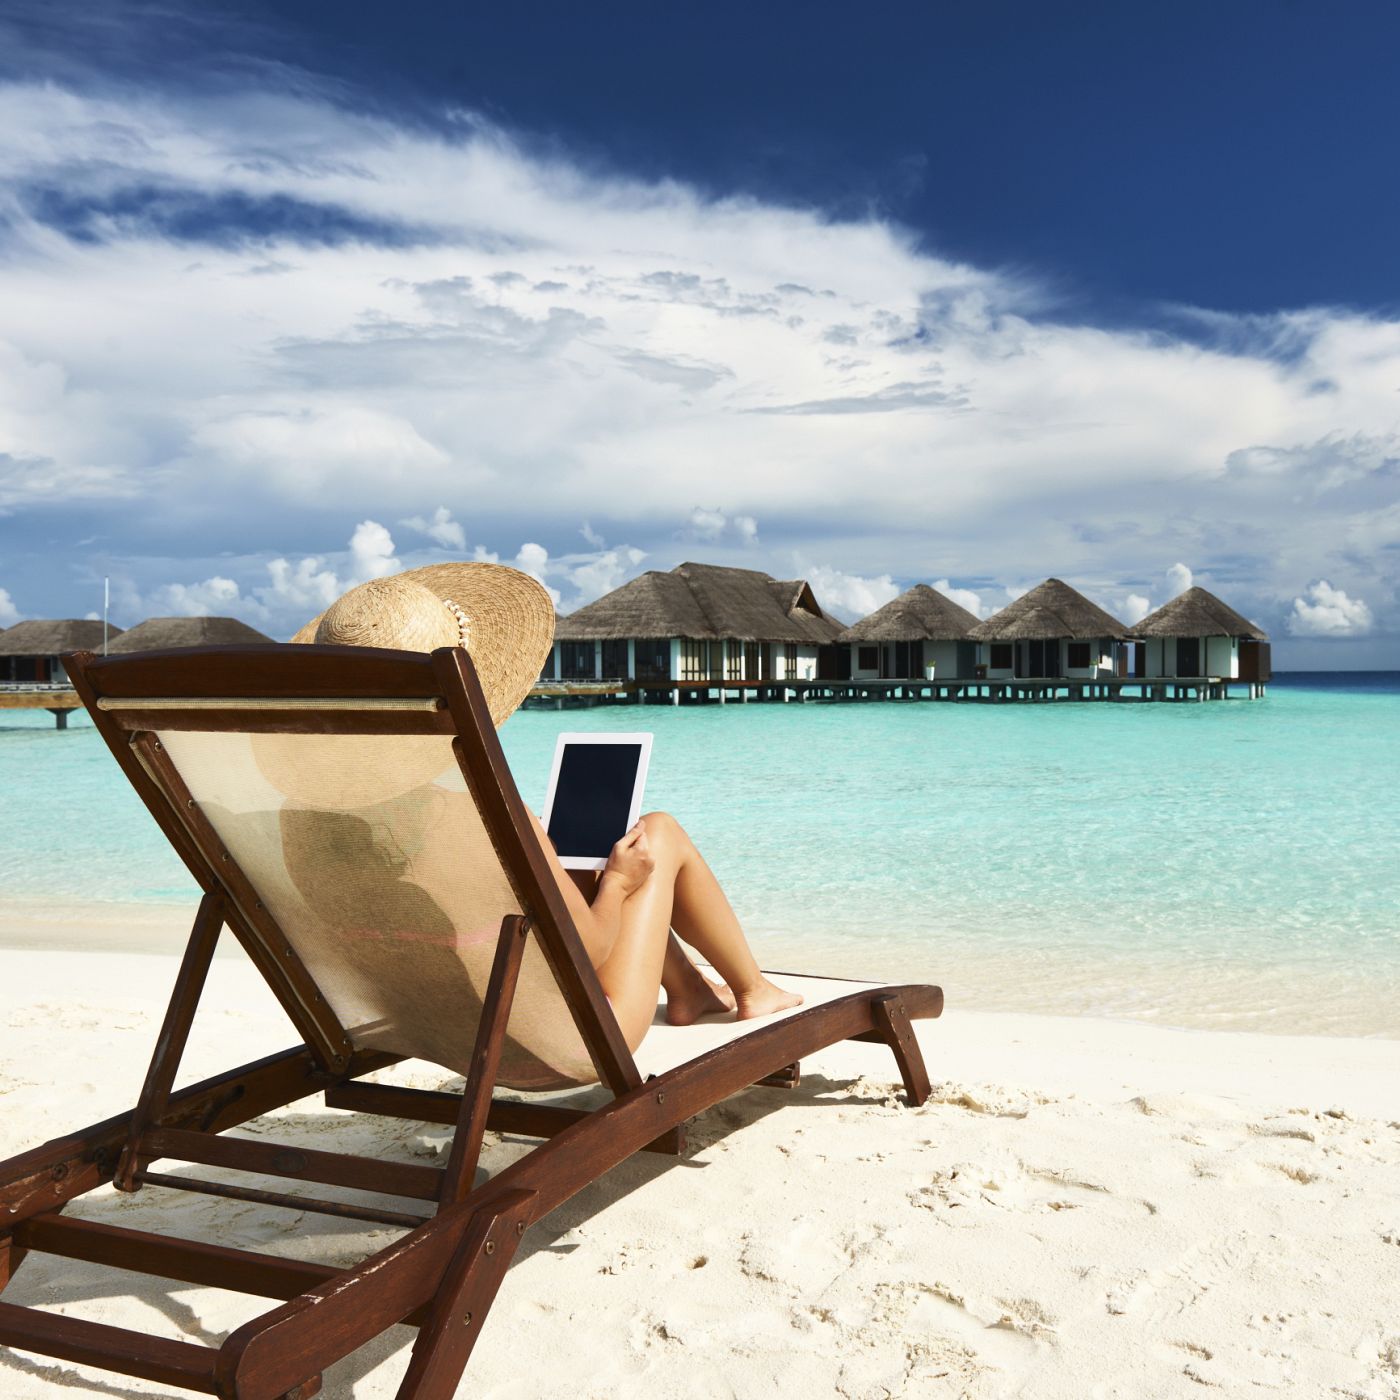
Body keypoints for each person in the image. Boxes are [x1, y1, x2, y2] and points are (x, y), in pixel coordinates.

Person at [295, 561, 803, 1054]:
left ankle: (689, 988)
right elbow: (592, 948)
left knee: (572, 865)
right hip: (559, 1043)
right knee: (657, 832)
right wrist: (618, 882)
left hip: (433, 1028)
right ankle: (753, 989)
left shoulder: (300, 829)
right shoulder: (484, 818)